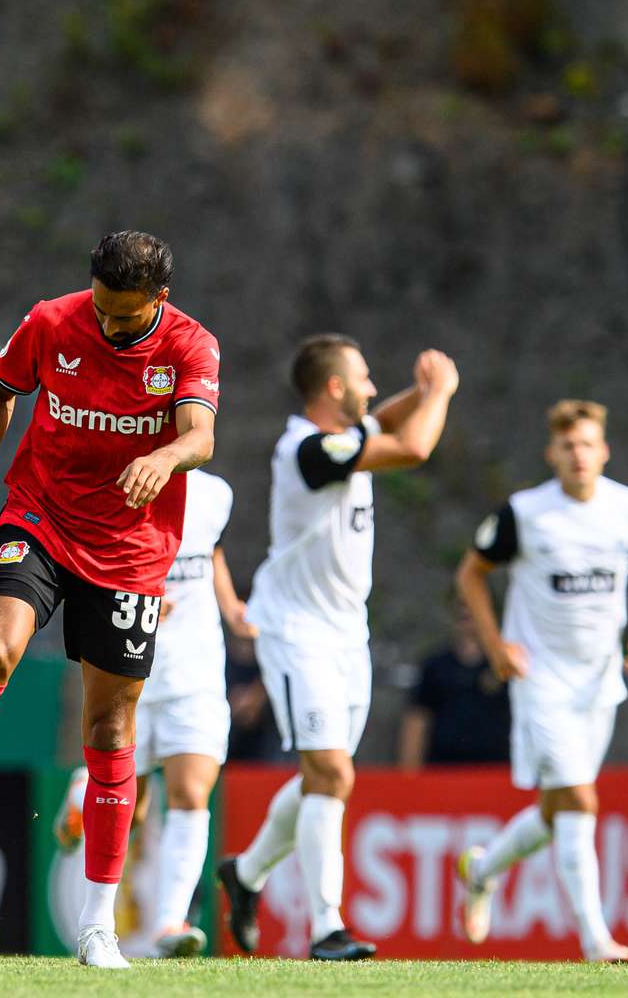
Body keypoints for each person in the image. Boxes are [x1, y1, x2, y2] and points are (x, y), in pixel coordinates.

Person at [0, 231, 221, 971]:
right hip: (39, 516)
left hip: (130, 549)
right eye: (102, 308)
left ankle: (97, 926)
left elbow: (201, 434)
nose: (110, 326)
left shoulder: (190, 346)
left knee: (111, 726)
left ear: (160, 300)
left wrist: (163, 455)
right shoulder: (53, 321)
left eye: (125, 317)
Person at [218, 336, 460, 962]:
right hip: (298, 633)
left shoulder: (339, 439)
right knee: (331, 773)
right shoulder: (306, 449)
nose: (373, 387)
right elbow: (412, 445)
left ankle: (245, 876)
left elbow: (384, 421)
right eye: (363, 377)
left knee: (326, 778)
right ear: (333, 389)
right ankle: (326, 927)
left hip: (348, 633)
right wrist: (439, 391)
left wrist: (419, 394)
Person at [453, 400, 628, 962]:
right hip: (540, 677)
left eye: (587, 444)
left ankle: (482, 869)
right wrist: (497, 648)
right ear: (552, 453)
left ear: (604, 450)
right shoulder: (525, 512)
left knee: (556, 812)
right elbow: (471, 573)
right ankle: (596, 940)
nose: (578, 455)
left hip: (598, 681)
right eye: (568, 446)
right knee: (578, 798)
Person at [129, 467, 250, 958]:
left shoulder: (216, 492)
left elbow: (210, 548)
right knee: (128, 810)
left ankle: (168, 924)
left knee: (190, 792)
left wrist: (231, 606)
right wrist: (137, 598)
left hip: (195, 671)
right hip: (130, 670)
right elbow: (89, 558)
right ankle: (81, 795)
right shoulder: (124, 480)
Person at [395, 607, 511, 772]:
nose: (468, 618)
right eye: (461, 610)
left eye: (472, 609)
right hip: (443, 772)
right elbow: (417, 720)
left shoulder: (506, 666)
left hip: (497, 772)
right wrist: (409, 776)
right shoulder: (435, 666)